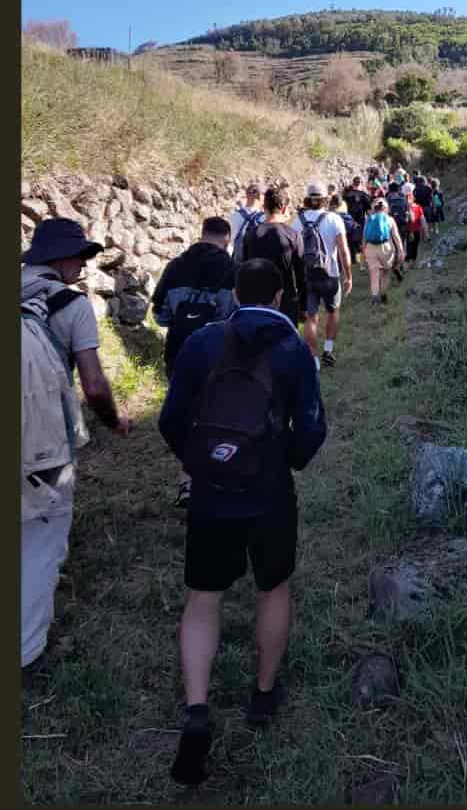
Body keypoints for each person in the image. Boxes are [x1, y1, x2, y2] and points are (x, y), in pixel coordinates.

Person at [158, 257, 326, 785]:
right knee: (273, 587)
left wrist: (201, 462)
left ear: (235, 292)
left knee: (203, 597)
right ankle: (262, 694)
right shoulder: (295, 350)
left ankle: (198, 709)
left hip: (211, 494)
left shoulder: (203, 343)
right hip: (269, 493)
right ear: (278, 297)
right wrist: (286, 461)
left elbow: (169, 420)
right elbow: (313, 429)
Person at [22, 218, 137, 669]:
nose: (84, 266)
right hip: (43, 442)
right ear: (63, 259)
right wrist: (114, 422)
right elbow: (93, 384)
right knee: (41, 538)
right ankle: (26, 652)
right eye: (81, 258)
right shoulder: (71, 305)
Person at [151, 217, 240, 509]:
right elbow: (232, 313)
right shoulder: (230, 268)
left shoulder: (174, 266)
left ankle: (188, 481)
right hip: (218, 352)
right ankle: (216, 474)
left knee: (186, 415)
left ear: (201, 235)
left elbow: (160, 315)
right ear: (226, 240)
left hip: (177, 352)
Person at [296, 183, 352, 369]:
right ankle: (328, 350)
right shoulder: (334, 219)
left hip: (308, 276)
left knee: (311, 318)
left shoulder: (298, 221)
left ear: (307, 198)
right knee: (333, 311)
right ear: (324, 199)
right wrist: (348, 276)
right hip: (331, 274)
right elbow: (344, 251)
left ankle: (314, 360)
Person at [241, 186, 306, 330]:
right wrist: (303, 306)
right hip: (285, 301)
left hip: (255, 301)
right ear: (283, 209)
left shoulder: (250, 235)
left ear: (264, 208)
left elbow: (243, 269)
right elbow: (301, 275)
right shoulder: (293, 236)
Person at [361, 198, 400, 304]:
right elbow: (396, 236)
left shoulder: (368, 219)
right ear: (386, 208)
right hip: (386, 248)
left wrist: (363, 254)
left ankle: (374, 297)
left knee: (374, 273)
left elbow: (364, 238)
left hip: (370, 248)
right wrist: (400, 250)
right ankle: (383, 294)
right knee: (385, 273)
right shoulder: (390, 219)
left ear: (373, 208)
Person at [229, 182, 265, 255]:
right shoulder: (264, 218)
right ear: (260, 196)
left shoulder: (234, 216)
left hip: (238, 260)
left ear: (246, 194)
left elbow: (230, 241)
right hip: (256, 261)